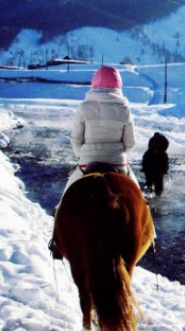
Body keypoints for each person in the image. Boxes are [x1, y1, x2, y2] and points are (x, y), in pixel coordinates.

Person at [50, 65, 138, 258]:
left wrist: (81, 157)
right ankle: (150, 236)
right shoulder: (124, 108)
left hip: (87, 161)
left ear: (94, 84)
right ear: (118, 86)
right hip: (118, 162)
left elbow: (75, 139)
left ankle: (56, 240)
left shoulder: (84, 108)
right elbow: (130, 142)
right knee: (140, 199)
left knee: (65, 200)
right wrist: (122, 155)